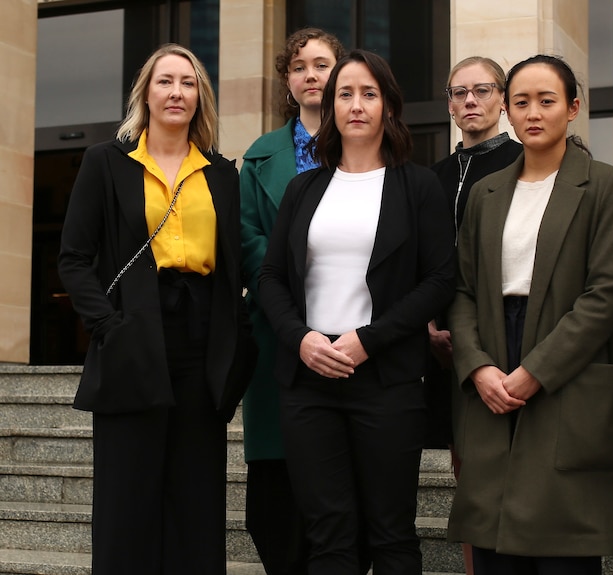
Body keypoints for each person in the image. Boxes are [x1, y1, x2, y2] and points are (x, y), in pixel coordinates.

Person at [257, 49, 455, 575]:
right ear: (330, 105)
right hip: (309, 380)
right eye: (345, 93)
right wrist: (300, 339)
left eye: (369, 93)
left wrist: (368, 339)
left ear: (389, 106)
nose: (356, 105)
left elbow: (439, 280)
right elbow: (272, 277)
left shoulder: (418, 187)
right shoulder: (304, 189)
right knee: (327, 538)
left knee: (391, 535)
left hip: (386, 379)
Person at [57, 44, 248, 575]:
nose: (177, 92)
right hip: (132, 336)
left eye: (188, 83)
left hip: (201, 337)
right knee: (127, 497)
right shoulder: (105, 163)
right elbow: (74, 259)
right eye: (166, 81)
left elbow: (236, 267)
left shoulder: (220, 174)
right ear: (145, 93)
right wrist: (107, 326)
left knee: (196, 498)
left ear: (200, 98)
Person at [447, 54, 613, 575]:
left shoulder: (603, 184)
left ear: (573, 108)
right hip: (492, 350)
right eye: (521, 102)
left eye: (547, 101)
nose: (533, 113)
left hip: (562, 360)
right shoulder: (486, 193)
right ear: (506, 110)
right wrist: (477, 365)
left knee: (561, 545)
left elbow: (608, 293)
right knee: (492, 535)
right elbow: (461, 289)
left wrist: (537, 372)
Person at [239, 27, 345, 575]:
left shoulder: (365, 146)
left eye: (322, 65)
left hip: (351, 327)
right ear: (287, 80)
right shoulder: (259, 156)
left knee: (339, 482)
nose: (311, 75)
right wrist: (283, 294)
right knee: (274, 500)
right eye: (300, 66)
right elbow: (247, 236)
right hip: (276, 329)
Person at [426, 55, 523, 575]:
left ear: (502, 99)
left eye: (482, 90)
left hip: (509, 337)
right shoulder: (433, 176)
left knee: (513, 472)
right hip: (441, 341)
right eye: (459, 93)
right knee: (471, 478)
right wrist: (428, 326)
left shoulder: (523, 162)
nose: (470, 101)